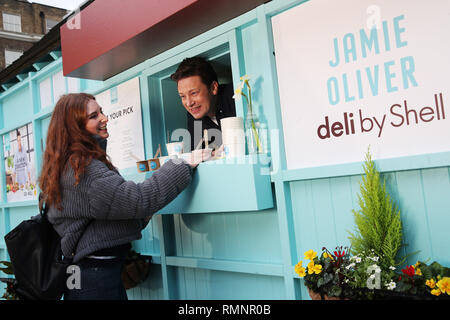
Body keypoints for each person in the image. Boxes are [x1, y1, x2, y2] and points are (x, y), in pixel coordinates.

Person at [39, 93, 204, 300]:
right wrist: (183, 162)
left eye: (102, 112)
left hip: (88, 276)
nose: (104, 118)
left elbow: (103, 218)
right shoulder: (83, 170)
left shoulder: (72, 165)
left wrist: (140, 217)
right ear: (75, 127)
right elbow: (139, 199)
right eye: (93, 116)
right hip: (95, 280)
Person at [170, 56, 236, 151]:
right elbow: (197, 154)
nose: (189, 103)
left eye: (194, 93)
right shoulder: (193, 115)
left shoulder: (234, 95)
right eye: (182, 96)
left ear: (213, 88)